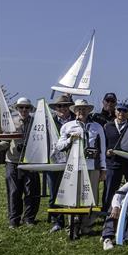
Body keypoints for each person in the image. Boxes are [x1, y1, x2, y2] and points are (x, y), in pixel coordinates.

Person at [56, 99, 107, 234]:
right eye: (79, 109)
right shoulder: (67, 126)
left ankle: (86, 226)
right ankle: (72, 226)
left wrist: (103, 169)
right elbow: (59, 146)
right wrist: (70, 139)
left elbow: (102, 149)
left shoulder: (97, 127)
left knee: (91, 197)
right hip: (73, 167)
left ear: (89, 110)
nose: (81, 111)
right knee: (72, 197)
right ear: (75, 111)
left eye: (84, 109)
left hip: (92, 167)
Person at [0, 98, 39, 228]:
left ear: (30, 109)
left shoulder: (36, 123)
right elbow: (5, 142)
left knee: (31, 191)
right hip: (13, 161)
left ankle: (29, 219)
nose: (24, 110)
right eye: (21, 107)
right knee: (14, 191)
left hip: (30, 161)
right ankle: (14, 220)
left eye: (27, 107)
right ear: (17, 108)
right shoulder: (11, 122)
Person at [47, 94, 75, 232]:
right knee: (54, 193)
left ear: (70, 107)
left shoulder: (77, 121)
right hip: (54, 161)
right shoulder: (50, 123)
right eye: (59, 106)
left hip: (72, 161)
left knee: (71, 192)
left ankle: (73, 221)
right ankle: (57, 222)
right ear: (55, 108)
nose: (62, 108)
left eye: (65, 105)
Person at [102, 101, 128, 214]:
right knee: (110, 188)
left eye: (124, 110)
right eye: (119, 110)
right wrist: (106, 152)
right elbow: (103, 143)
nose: (121, 112)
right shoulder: (107, 126)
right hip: (112, 162)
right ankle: (106, 211)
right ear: (115, 111)